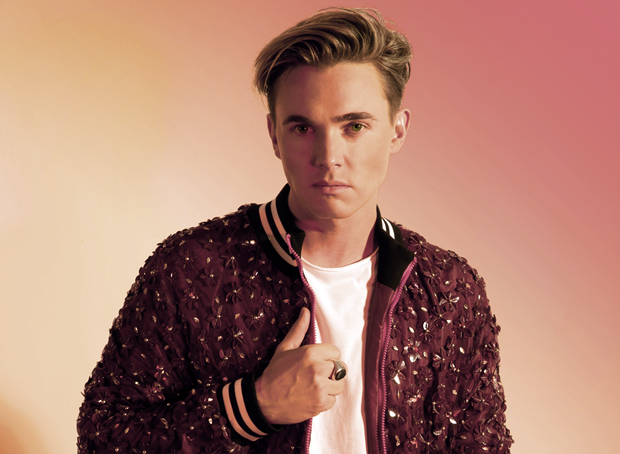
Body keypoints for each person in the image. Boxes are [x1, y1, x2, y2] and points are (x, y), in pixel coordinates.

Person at [77, 7, 513, 454]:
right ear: (274, 135)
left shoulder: (448, 289)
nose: (328, 156)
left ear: (397, 131)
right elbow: (102, 436)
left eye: (354, 126)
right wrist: (252, 406)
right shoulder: (192, 268)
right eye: (303, 128)